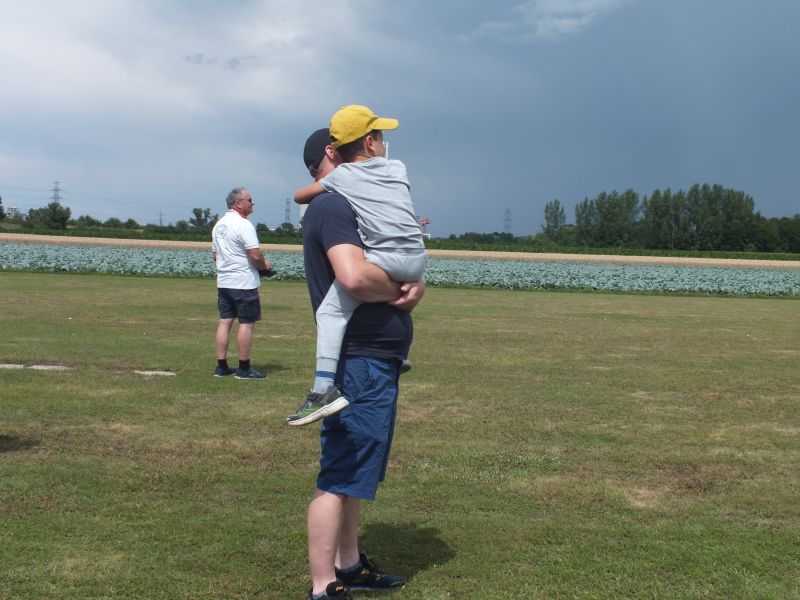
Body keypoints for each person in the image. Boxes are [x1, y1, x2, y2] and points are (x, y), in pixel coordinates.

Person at [298, 127, 425, 599]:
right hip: (359, 361)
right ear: (333, 154)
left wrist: (413, 283)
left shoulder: (349, 202)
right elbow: (353, 278)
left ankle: (347, 565)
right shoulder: (334, 206)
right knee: (339, 472)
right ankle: (323, 585)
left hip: (373, 359)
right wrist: (402, 289)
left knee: (355, 473)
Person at [287, 105, 427, 426]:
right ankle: (401, 355)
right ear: (369, 142)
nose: (382, 143)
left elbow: (299, 196)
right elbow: (356, 276)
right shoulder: (398, 169)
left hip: (383, 276)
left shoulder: (341, 181)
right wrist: (411, 286)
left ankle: (322, 389)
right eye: (380, 136)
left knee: (329, 313)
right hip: (416, 261)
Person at [211, 187, 274, 380]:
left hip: (224, 281)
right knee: (246, 324)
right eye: (249, 200)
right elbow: (255, 255)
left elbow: (215, 256)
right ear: (238, 203)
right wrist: (265, 266)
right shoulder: (244, 224)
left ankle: (221, 367)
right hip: (243, 282)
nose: (252, 203)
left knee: (225, 322)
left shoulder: (219, 225)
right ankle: (244, 369)